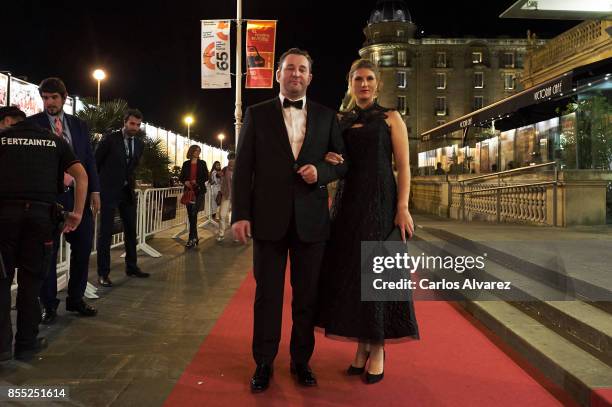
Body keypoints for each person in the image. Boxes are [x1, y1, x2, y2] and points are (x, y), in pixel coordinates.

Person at [232, 48, 348, 393]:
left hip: (311, 221)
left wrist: (323, 171)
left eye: (302, 70)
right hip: (268, 220)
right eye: (289, 69)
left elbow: (343, 164)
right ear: (278, 75)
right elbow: (243, 170)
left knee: (306, 297)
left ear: (310, 77)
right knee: (267, 296)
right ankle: (264, 362)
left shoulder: (329, 117)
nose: (296, 74)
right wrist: (240, 214)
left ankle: (301, 361)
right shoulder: (257, 114)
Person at [317, 59, 419, 384]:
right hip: (348, 204)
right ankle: (360, 347)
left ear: (378, 83)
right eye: (358, 79)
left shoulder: (391, 118)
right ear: (350, 83)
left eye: (369, 78)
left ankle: (377, 348)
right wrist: (328, 158)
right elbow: (333, 159)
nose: (364, 84)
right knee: (351, 276)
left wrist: (402, 207)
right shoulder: (340, 120)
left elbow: (403, 167)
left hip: (380, 202)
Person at [0, 106, 87, 361]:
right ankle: (26, 344)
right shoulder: (53, 140)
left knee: (1, 282)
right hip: (40, 219)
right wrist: (77, 213)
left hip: (4, 217)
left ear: (7, 121)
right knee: (31, 282)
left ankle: (2, 348)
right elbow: (81, 176)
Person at [28, 77, 100, 323]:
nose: (49, 103)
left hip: (78, 200)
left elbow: (89, 160)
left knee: (82, 250)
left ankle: (76, 299)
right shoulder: (33, 125)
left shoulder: (79, 125)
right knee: (48, 254)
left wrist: (95, 191)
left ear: (64, 98)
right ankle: (49, 304)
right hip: (48, 200)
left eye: (53, 98)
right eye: (45, 98)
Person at [95, 109, 148, 287]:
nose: (135, 127)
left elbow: (131, 167)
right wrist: (96, 189)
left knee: (131, 230)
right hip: (108, 191)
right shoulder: (110, 139)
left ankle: (131, 267)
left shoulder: (140, 144)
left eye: (138, 125)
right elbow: (96, 163)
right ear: (124, 122)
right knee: (106, 233)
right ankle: (103, 273)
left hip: (127, 192)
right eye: (132, 123)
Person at [179, 145, 209, 248]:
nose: (198, 152)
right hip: (188, 191)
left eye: (199, 150)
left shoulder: (202, 163)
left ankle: (191, 239)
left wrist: (197, 181)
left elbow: (206, 177)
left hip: (199, 191)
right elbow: (181, 177)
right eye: (196, 150)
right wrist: (185, 181)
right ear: (191, 151)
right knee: (191, 215)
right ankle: (194, 237)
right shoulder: (186, 164)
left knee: (193, 213)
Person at [217, 152, 235, 242]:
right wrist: (219, 175)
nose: (231, 160)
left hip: (237, 197)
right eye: (230, 159)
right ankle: (221, 234)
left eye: (233, 159)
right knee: (222, 215)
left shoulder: (240, 169)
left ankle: (236, 235)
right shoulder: (225, 169)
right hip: (226, 195)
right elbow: (218, 176)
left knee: (236, 216)